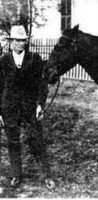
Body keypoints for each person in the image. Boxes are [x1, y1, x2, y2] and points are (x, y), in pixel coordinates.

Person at [0, 25, 54, 188]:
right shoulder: (3, 61)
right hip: (9, 108)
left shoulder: (35, 59)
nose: (20, 44)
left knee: (37, 140)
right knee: (13, 141)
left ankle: (46, 175)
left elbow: (42, 85)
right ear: (11, 42)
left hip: (30, 108)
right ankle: (16, 175)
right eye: (17, 40)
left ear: (26, 42)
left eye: (23, 41)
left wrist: (40, 105)